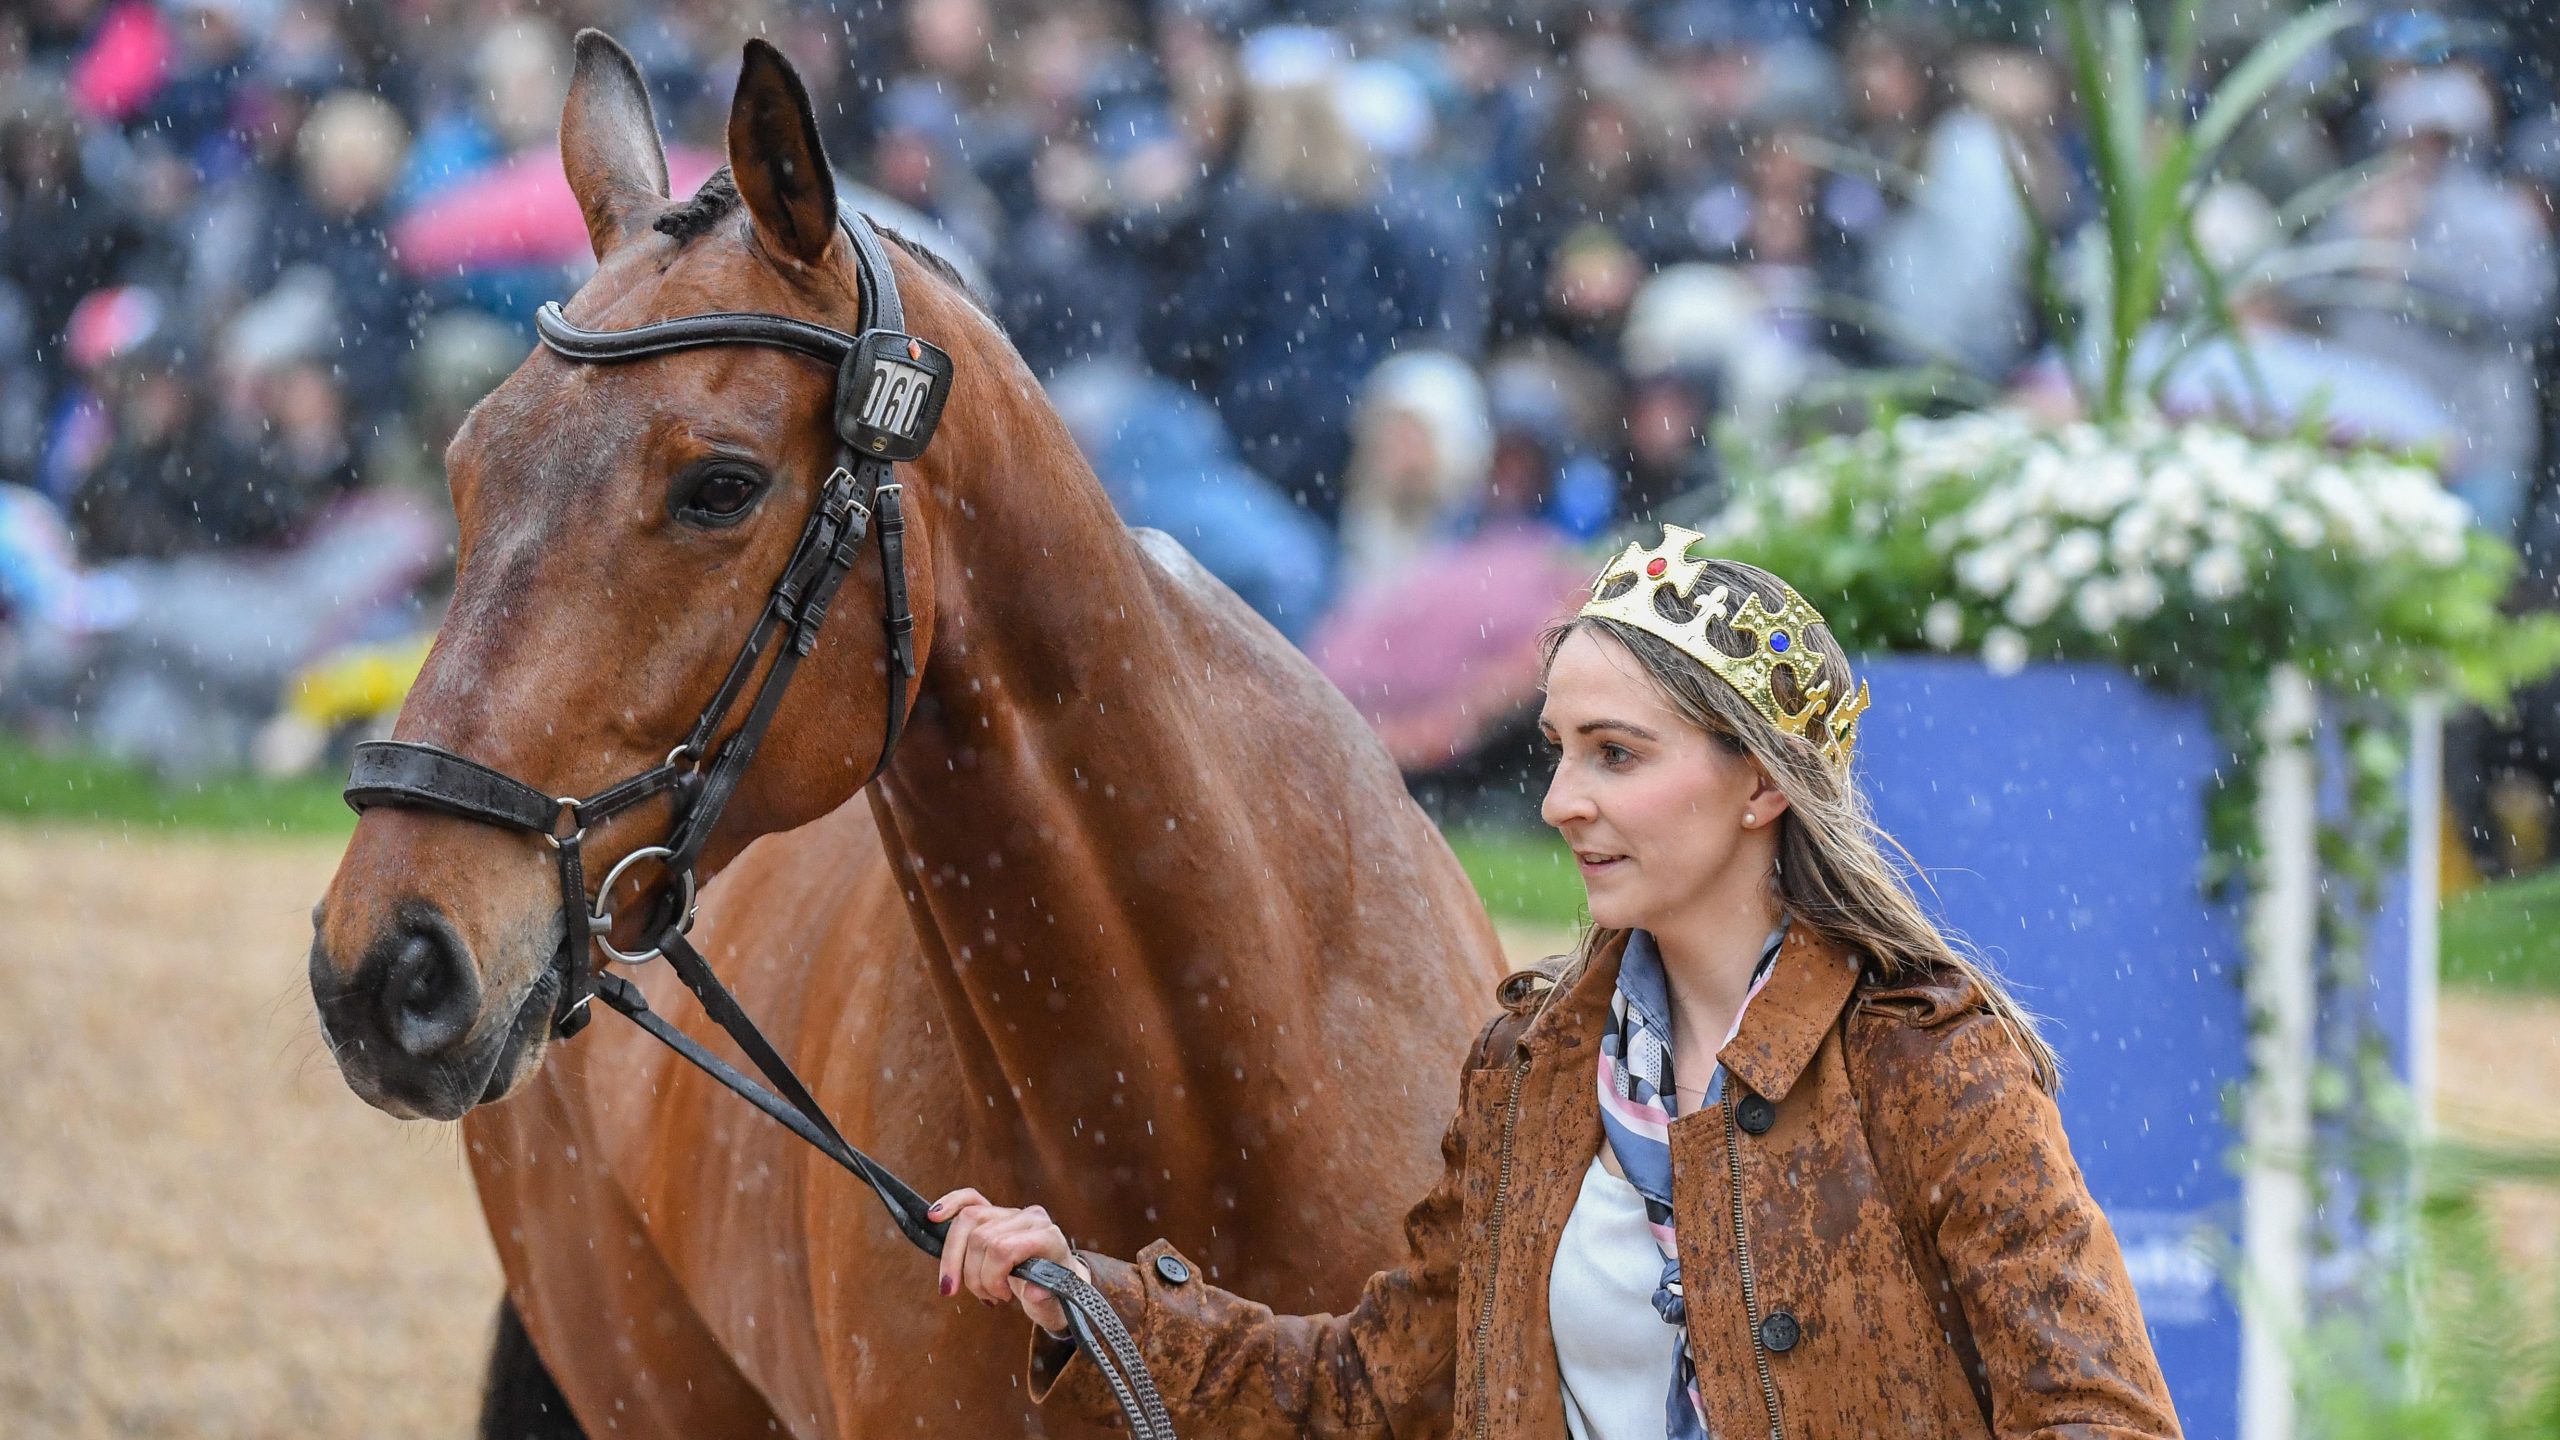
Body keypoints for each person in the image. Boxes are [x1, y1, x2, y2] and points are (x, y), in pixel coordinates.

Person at [929, 525, 2182, 1438]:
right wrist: (1086, 1299)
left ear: (1761, 786)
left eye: (1616, 755)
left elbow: (2097, 1419)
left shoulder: (1929, 1060)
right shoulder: (1530, 1070)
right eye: (1559, 750)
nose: (1560, 800)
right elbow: (1367, 1394)